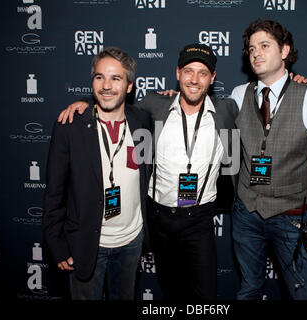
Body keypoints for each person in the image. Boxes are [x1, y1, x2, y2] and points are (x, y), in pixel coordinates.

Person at [57, 43, 239, 300]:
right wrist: (85, 103)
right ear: (177, 73)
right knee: (170, 289)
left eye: (202, 73)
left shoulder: (226, 110)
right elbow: (115, 102)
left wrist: (294, 82)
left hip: (199, 220)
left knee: (205, 294)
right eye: (188, 71)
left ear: (212, 78)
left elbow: (263, 105)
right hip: (159, 218)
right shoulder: (155, 104)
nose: (194, 80)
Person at [230, 19, 307, 300]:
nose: (256, 53)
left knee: (302, 293)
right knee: (248, 290)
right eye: (251, 49)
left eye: (265, 46)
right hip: (246, 214)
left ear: (285, 51)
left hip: (292, 217)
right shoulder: (237, 95)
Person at [43, 47, 152, 300]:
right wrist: (57, 247)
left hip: (131, 242)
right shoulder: (70, 125)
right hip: (87, 244)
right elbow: (54, 194)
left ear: (129, 86)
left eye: (116, 78)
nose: (106, 86)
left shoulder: (142, 121)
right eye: (99, 77)